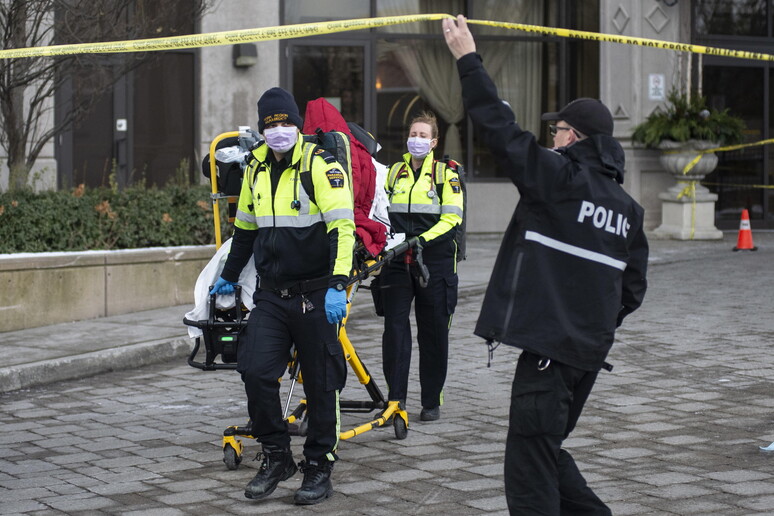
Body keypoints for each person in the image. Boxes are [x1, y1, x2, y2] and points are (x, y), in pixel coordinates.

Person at [443, 16, 648, 515]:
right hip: (585, 357)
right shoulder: (627, 209)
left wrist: (467, 59)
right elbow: (633, 289)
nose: (550, 138)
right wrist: (589, 323)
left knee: (529, 466)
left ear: (572, 137)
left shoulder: (558, 178)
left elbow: (499, 129)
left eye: (555, 130)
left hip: (550, 355)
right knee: (544, 449)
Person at [209, 87, 355, 506]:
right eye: (271, 125)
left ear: (297, 125)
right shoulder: (255, 168)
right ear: (262, 129)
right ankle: (277, 456)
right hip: (272, 294)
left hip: (316, 291)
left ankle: (319, 466)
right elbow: (245, 230)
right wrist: (228, 276)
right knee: (255, 370)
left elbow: (342, 227)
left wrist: (338, 283)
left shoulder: (320, 165)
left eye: (286, 122)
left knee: (322, 384)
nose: (279, 131)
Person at [380, 111, 464, 422]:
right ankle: (395, 400)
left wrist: (421, 241)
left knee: (434, 332)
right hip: (397, 260)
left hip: (435, 261)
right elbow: (380, 211)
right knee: (394, 330)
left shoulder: (445, 175)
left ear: (434, 142)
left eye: (423, 135)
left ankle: (431, 400)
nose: (416, 139)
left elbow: (452, 218)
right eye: (413, 134)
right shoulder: (394, 173)